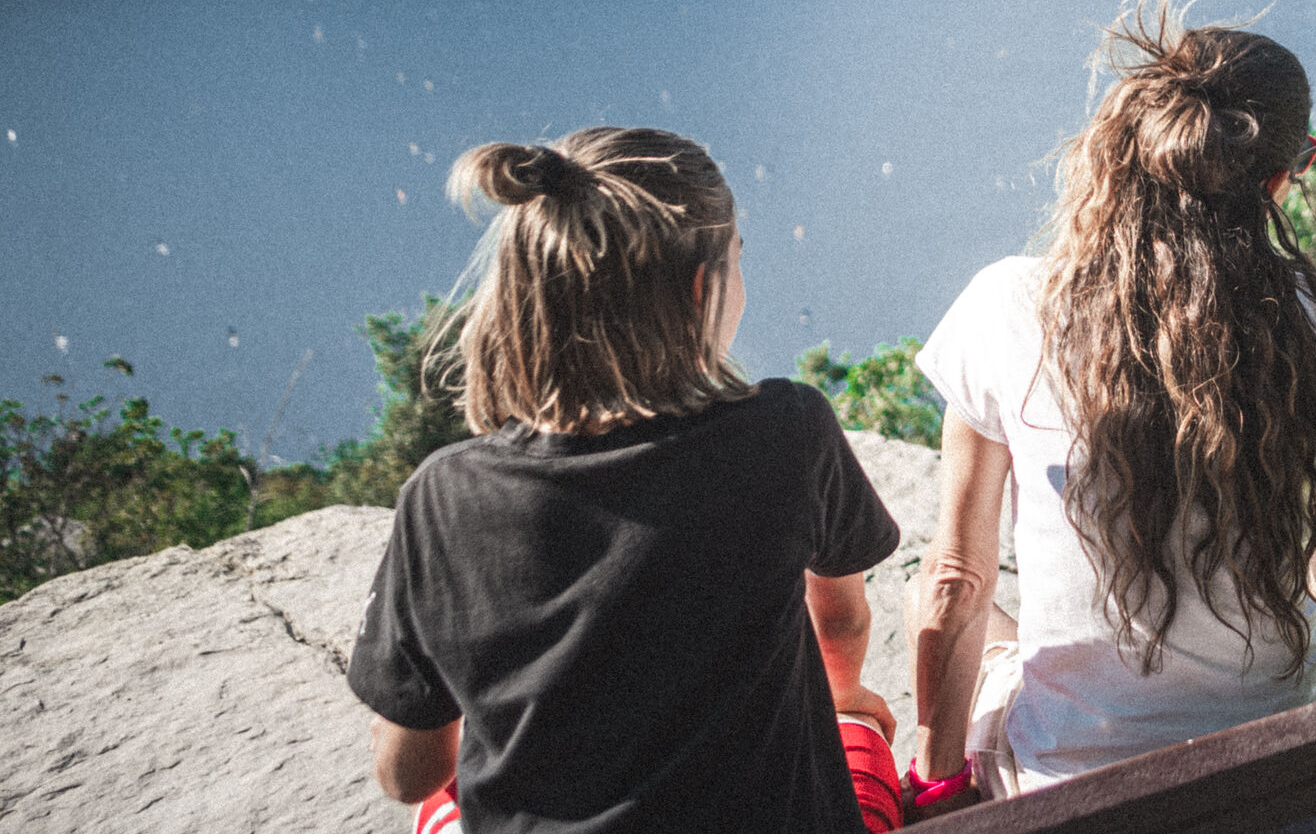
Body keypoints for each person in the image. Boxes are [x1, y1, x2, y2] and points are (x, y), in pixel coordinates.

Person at [903, 0, 1316, 809]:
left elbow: (957, 578)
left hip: (1071, 785)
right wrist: (1314, 706)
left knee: (991, 629)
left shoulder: (1007, 306)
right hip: (1268, 761)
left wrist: (937, 782)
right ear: (1280, 177)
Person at [346, 127, 907, 834]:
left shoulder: (443, 498)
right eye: (738, 261)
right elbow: (841, 620)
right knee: (852, 724)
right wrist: (845, 692)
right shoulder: (786, 431)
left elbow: (406, 773)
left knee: (437, 811)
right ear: (702, 287)